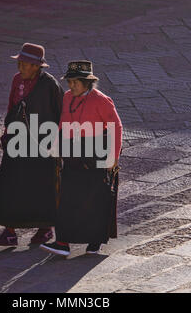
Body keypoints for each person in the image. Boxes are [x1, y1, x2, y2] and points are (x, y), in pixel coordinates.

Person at [39, 60, 123, 256]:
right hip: (72, 153)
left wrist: (114, 157)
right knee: (66, 197)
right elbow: (62, 123)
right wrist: (56, 147)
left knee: (94, 198)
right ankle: (62, 243)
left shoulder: (101, 100)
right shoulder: (67, 98)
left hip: (95, 153)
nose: (71, 86)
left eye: (75, 82)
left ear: (87, 83)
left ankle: (94, 241)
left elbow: (116, 127)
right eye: (70, 82)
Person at [0, 43, 64, 246]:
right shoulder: (17, 80)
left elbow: (61, 114)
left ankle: (45, 228)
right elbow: (11, 105)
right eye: (20, 63)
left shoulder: (50, 85)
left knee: (41, 185)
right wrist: (7, 133)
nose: (20, 67)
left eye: (25, 64)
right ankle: (10, 231)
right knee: (11, 184)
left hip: (42, 143)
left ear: (37, 66)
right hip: (18, 139)